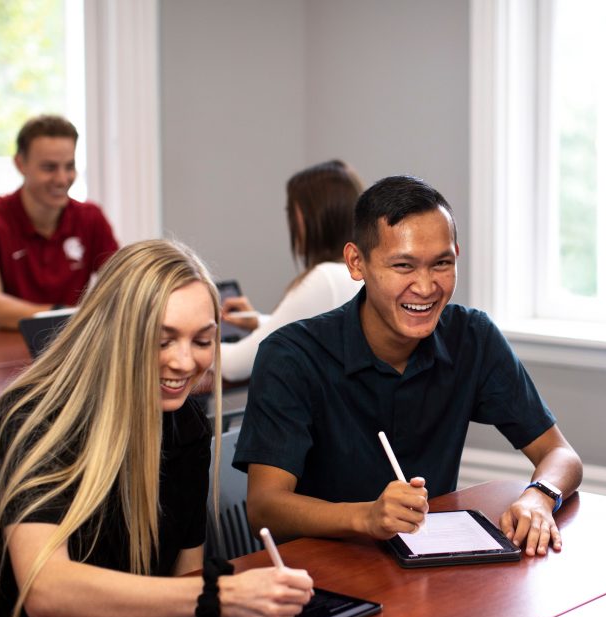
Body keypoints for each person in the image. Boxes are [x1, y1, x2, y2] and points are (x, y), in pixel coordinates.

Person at [0, 240, 312, 617]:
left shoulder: (186, 424)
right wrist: (215, 595)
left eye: (202, 341)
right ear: (113, 332)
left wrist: (210, 600)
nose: (185, 363)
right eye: (162, 339)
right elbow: (45, 588)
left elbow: (186, 573)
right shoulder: (33, 418)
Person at [233, 175, 583, 556]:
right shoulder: (290, 356)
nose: (425, 286)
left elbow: (560, 455)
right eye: (403, 265)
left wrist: (540, 495)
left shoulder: (473, 337)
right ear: (356, 262)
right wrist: (367, 517)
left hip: (427, 572)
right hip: (321, 573)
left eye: (441, 264)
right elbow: (264, 509)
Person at [219, 160, 365, 382]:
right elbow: (317, 326)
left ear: (313, 217)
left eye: (292, 211)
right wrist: (259, 321)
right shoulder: (356, 272)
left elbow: (236, 365)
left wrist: (193, 340)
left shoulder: (325, 278)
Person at [0, 115, 119, 330]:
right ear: (20, 164)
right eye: (49, 168)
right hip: (3, 355)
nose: (62, 179)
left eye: (69, 166)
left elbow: (126, 285)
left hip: (70, 351)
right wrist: (64, 315)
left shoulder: (91, 218)